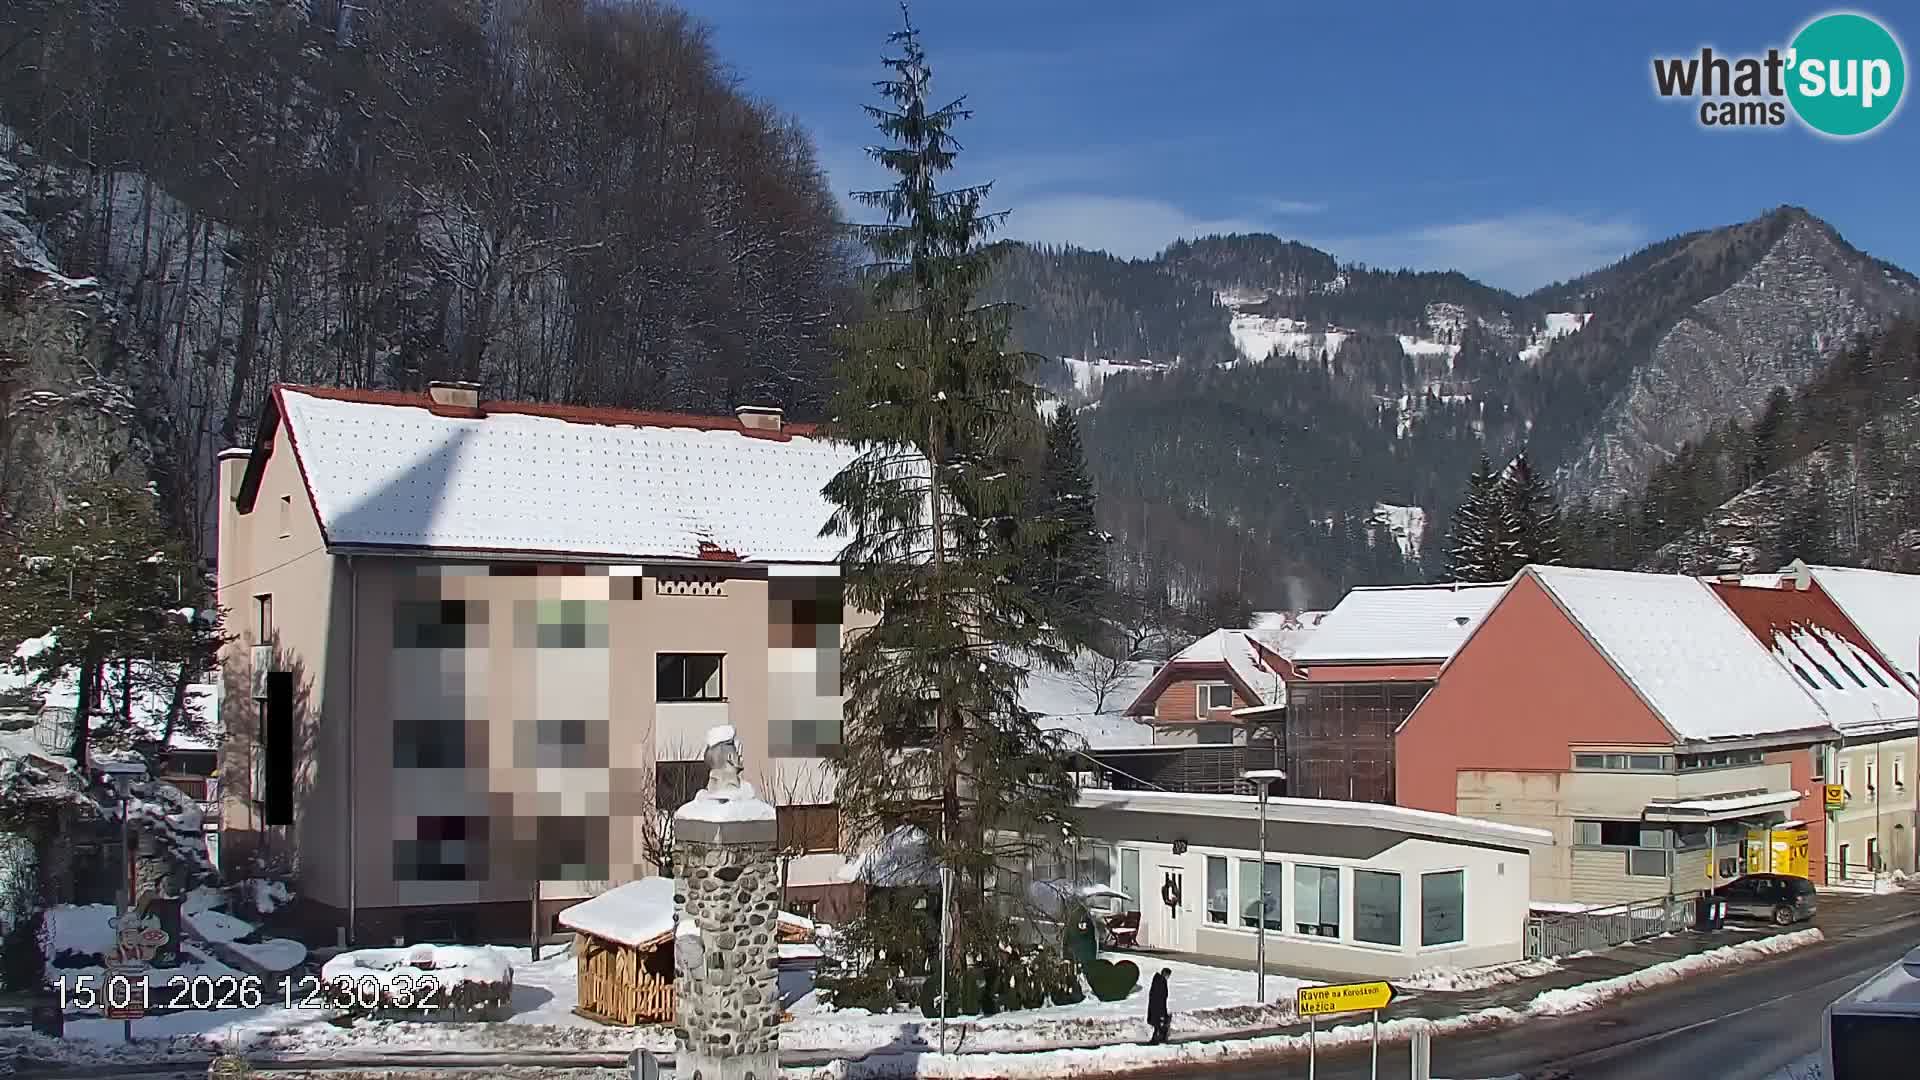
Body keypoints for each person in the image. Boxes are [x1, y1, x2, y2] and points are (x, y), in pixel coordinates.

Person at [1146, 967, 1171, 1044]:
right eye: (1168, 976)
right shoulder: (1161, 982)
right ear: (1165, 974)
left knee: (1158, 1024)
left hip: (1155, 1006)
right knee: (1159, 1023)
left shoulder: (1158, 980)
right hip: (1158, 1007)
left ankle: (1157, 1038)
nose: (1168, 978)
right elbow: (1161, 996)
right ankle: (1158, 1038)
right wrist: (1163, 1010)